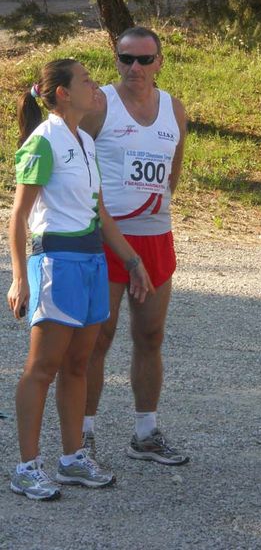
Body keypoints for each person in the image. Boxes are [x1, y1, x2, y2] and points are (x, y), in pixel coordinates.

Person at [8, 58, 152, 501]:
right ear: (64, 94)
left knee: (78, 364)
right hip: (57, 260)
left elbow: (100, 213)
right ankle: (26, 467)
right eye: (87, 80)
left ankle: (72, 459)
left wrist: (131, 261)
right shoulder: (43, 142)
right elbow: (18, 217)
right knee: (43, 366)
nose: (96, 86)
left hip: (91, 260)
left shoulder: (85, 141)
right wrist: (19, 277)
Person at [80, 26, 189, 465]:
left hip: (155, 236)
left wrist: (153, 214)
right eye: (127, 59)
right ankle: (83, 434)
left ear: (160, 62)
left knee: (150, 334)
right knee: (96, 338)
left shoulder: (174, 110)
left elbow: (173, 175)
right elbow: (76, 165)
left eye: (145, 59)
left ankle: (145, 434)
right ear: (117, 60)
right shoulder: (99, 104)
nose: (135, 68)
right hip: (107, 238)